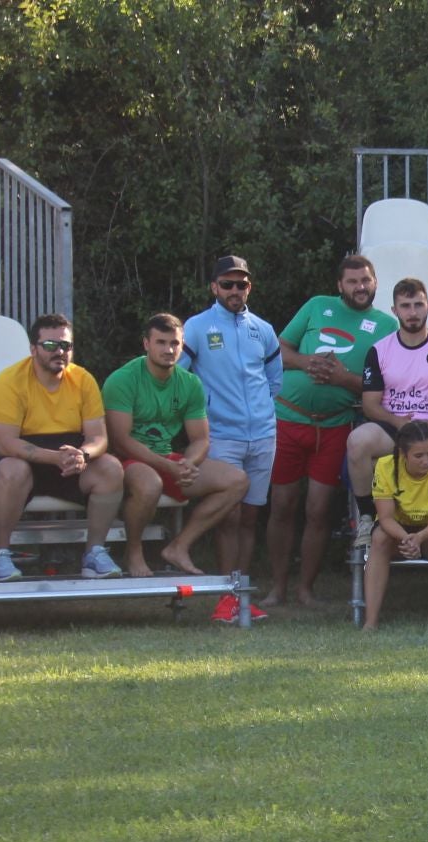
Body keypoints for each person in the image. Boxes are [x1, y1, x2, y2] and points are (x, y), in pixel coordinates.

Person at [266, 254, 395, 607]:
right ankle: (277, 588)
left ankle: (306, 589)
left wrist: (342, 378)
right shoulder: (316, 306)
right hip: (288, 419)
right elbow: (279, 349)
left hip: (335, 426)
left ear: (375, 283)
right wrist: (308, 362)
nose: (360, 287)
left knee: (319, 510)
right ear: (340, 285)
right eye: (352, 282)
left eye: (365, 281)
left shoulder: (386, 326)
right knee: (281, 505)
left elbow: (383, 387)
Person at [102, 313, 247, 577]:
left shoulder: (189, 382)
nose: (169, 350)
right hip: (126, 461)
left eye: (174, 343)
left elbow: (201, 439)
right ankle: (133, 553)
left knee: (236, 480)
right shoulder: (122, 380)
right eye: (161, 342)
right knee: (149, 484)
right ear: (146, 344)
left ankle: (179, 546)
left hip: (167, 458)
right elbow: (121, 441)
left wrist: (188, 464)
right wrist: (169, 466)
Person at [181, 254, 282, 621]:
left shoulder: (263, 328)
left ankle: (239, 595)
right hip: (221, 435)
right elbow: (181, 377)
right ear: (214, 287)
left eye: (241, 284)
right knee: (229, 515)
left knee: (251, 517)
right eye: (227, 284)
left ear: (249, 287)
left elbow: (274, 380)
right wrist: (202, 416)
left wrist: (261, 413)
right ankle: (225, 597)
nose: (235, 290)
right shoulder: (196, 327)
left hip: (262, 435)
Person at [0, 314, 125, 581]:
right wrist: (54, 457)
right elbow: (6, 443)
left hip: (69, 459)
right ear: (33, 349)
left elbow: (99, 437)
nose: (60, 352)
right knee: (11, 469)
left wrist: (83, 455)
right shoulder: (10, 380)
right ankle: (0, 555)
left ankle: (94, 554)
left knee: (111, 468)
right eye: (51, 345)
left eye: (66, 346)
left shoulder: (83, 379)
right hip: (26, 458)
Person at [346, 277, 428, 548]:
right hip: (394, 425)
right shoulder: (379, 350)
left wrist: (427, 423)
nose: (412, 312)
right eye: (405, 306)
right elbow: (370, 404)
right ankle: (367, 516)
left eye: (418, 305)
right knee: (358, 441)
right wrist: (397, 422)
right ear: (394, 310)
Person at [363, 421, 428, 629]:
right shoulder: (385, 467)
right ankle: (370, 622)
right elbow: (385, 518)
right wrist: (407, 538)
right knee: (379, 537)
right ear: (402, 454)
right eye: (418, 456)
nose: (427, 461)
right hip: (398, 532)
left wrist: (419, 538)